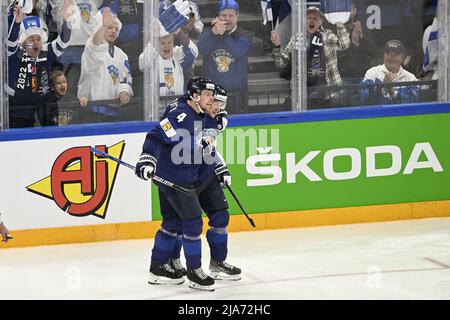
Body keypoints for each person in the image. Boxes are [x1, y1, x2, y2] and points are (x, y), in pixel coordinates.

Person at [135, 77, 223, 291]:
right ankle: (194, 272)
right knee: (193, 223)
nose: (212, 99)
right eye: (208, 95)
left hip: (181, 175)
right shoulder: (181, 113)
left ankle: (158, 267)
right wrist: (147, 158)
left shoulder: (197, 112)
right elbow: (156, 135)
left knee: (172, 223)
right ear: (195, 95)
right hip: (175, 178)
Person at [167, 84, 241, 281]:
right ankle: (173, 260)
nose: (219, 108)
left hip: (206, 176)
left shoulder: (212, 119)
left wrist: (220, 167)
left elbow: (209, 149)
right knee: (184, 223)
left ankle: (217, 262)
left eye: (222, 103)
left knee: (220, 216)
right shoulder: (190, 115)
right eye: (216, 102)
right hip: (185, 178)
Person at [7, 0, 73, 128]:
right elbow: (10, 42)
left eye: (38, 38)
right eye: (31, 38)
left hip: (44, 102)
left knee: (53, 129)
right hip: (18, 107)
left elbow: (63, 42)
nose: (36, 42)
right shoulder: (15, 53)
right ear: (23, 41)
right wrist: (16, 23)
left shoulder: (45, 51)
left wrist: (67, 22)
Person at [271, 6, 350, 108]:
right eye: (308, 18)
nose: (311, 21)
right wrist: (277, 46)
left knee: (334, 104)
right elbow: (281, 63)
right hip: (303, 94)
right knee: (288, 107)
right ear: (304, 21)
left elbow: (344, 44)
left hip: (328, 92)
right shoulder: (296, 39)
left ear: (320, 22)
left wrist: (339, 23)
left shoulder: (327, 35)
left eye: (315, 18)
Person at [77, 7, 133, 122]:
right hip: (92, 110)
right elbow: (95, 43)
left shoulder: (122, 55)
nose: (113, 30)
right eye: (110, 27)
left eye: (116, 29)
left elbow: (125, 79)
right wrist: (103, 26)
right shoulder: (91, 47)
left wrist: (124, 91)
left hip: (114, 111)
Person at [198, 0, 252, 114]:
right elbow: (202, 49)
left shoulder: (245, 35)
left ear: (237, 16)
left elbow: (238, 51)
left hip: (236, 95)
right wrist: (213, 33)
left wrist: (223, 35)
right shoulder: (208, 32)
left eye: (231, 15)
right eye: (223, 15)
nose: (227, 19)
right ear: (218, 16)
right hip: (211, 95)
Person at [361, 40, 419, 105]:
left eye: (395, 55)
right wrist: (382, 87)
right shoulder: (372, 73)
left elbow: (415, 102)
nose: (391, 58)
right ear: (384, 55)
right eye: (388, 54)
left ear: (402, 58)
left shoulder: (410, 78)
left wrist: (394, 93)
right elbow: (364, 98)